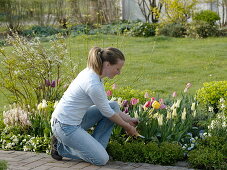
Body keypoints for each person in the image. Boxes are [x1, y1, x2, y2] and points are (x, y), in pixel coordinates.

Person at [50, 47, 139, 166]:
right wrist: (127, 127)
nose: (119, 72)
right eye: (117, 68)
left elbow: (107, 107)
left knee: (112, 105)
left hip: (75, 121)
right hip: (65, 126)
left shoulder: (93, 74)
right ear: (107, 64)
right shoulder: (92, 83)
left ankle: (94, 149)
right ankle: (60, 148)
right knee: (101, 159)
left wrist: (130, 120)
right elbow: (107, 112)